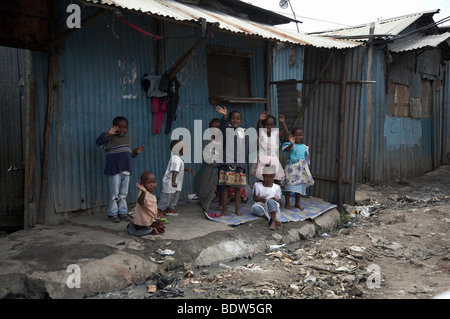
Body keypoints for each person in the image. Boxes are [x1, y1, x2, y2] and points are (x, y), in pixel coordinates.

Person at [96, 116, 144, 223]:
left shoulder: (126, 139)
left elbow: (129, 153)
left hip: (126, 171)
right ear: (114, 127)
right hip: (115, 171)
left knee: (123, 194)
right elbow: (99, 143)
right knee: (114, 194)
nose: (122, 130)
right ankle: (112, 213)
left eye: (125, 127)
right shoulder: (110, 139)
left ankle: (122, 212)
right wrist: (108, 133)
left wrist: (136, 151)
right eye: (119, 127)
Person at [215, 105, 249, 216]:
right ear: (229, 120)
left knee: (238, 188)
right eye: (233, 118)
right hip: (228, 164)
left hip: (239, 165)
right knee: (226, 187)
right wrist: (224, 116)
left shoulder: (244, 132)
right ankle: (224, 209)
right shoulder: (227, 130)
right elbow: (222, 127)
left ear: (241, 120)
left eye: (238, 119)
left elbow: (246, 149)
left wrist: (244, 165)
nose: (236, 120)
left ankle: (237, 209)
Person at [158, 139, 194, 216]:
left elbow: (179, 169)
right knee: (167, 197)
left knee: (174, 197)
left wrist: (187, 170)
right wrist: (173, 181)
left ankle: (169, 209)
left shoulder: (178, 158)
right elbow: (175, 171)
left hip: (176, 183)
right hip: (171, 183)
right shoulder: (175, 159)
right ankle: (160, 210)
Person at [282, 128, 314, 210]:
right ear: (292, 136)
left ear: (302, 136)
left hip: (301, 170)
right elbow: (286, 150)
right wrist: (291, 144)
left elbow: (306, 159)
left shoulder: (304, 147)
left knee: (299, 186)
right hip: (291, 169)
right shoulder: (289, 144)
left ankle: (297, 203)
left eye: (300, 135)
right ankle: (287, 203)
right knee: (288, 186)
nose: (298, 137)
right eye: (296, 135)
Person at [251, 111, 288, 183]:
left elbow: (285, 133)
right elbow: (258, 127)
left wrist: (282, 122)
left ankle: (274, 192)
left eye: (271, 125)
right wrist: (260, 120)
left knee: (276, 177)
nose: (269, 127)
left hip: (273, 158)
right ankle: (261, 191)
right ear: (263, 125)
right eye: (266, 125)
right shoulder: (261, 132)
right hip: (262, 157)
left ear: (274, 126)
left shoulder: (275, 133)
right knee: (261, 177)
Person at [194, 118, 222, 213]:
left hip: (220, 166)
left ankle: (220, 202)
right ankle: (205, 200)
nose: (214, 130)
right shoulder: (210, 139)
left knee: (218, 185)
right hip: (210, 164)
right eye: (212, 127)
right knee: (203, 180)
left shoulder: (223, 140)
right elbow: (204, 151)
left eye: (217, 128)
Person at [127, 171, 165, 236]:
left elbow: (152, 208)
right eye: (149, 183)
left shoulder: (151, 194)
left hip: (145, 220)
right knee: (159, 227)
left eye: (154, 182)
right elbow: (141, 202)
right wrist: (144, 192)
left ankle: (134, 227)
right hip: (144, 221)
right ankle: (147, 229)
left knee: (160, 225)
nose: (152, 184)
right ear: (142, 184)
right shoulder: (142, 193)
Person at [251, 165, 282, 230]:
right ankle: (270, 218)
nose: (268, 179)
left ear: (274, 177)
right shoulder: (257, 185)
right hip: (261, 205)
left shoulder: (276, 187)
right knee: (254, 208)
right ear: (263, 175)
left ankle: (273, 222)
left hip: (273, 206)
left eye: (270, 177)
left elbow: (279, 200)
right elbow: (254, 199)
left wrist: (275, 199)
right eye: (266, 177)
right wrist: (261, 200)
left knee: (270, 201)